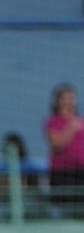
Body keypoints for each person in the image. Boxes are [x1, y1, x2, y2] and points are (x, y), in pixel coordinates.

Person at [43, 83, 84, 216]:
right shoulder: (53, 121)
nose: (68, 101)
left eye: (71, 98)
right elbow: (56, 144)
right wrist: (70, 128)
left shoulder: (81, 121)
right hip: (63, 172)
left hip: (81, 171)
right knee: (65, 207)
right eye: (65, 98)